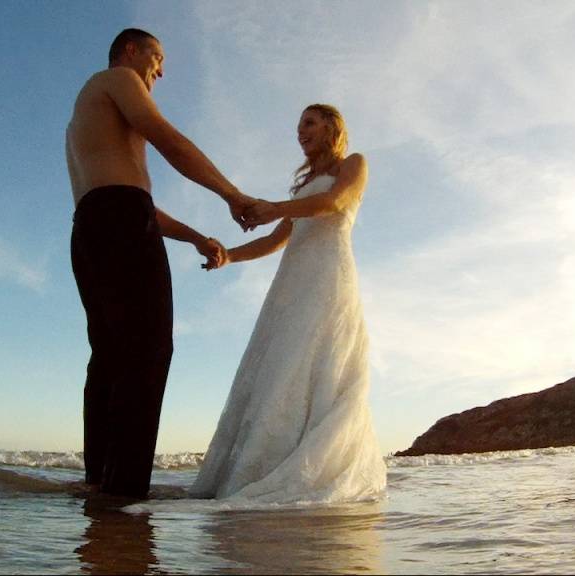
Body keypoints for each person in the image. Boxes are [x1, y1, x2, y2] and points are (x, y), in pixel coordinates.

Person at [66, 28, 255, 499]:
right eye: (158, 56)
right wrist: (231, 194)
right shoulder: (117, 79)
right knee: (149, 350)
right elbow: (167, 140)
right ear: (130, 50)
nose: (162, 70)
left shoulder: (80, 120)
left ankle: (100, 483)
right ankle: (126, 489)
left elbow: (122, 195)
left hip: (89, 226)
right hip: (120, 221)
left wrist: (192, 237)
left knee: (109, 356)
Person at [189, 104, 386, 503]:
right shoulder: (302, 187)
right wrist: (229, 255)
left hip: (328, 277)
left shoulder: (354, 164)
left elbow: (334, 202)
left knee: (318, 363)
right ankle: (259, 468)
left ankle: (313, 468)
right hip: (290, 284)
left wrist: (276, 207)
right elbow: (274, 240)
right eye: (298, 126)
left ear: (332, 127)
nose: (300, 132)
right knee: (279, 368)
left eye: (309, 123)